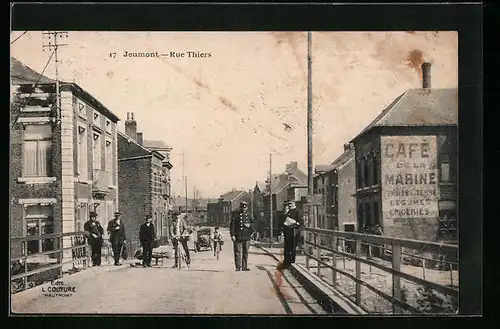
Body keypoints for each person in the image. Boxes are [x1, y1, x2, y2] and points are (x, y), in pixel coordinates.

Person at [230, 201, 254, 271]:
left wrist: (250, 226)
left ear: (247, 208)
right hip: (238, 236)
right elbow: (232, 226)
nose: (244, 209)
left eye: (245, 207)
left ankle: (244, 266)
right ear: (240, 207)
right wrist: (232, 235)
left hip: (246, 236)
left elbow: (254, 224)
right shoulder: (235, 215)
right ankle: (237, 267)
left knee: (245, 252)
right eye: (242, 207)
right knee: (237, 251)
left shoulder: (249, 215)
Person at [279, 200, 303, 270]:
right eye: (288, 204)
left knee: (292, 249)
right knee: (286, 249)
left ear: (294, 204)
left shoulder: (297, 211)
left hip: (294, 233)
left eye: (290, 204)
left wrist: (295, 223)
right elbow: (283, 221)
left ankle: (291, 263)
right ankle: (285, 263)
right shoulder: (288, 212)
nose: (289, 205)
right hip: (287, 233)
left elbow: (301, 222)